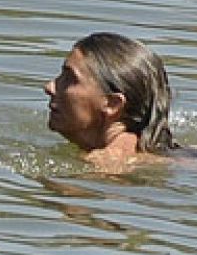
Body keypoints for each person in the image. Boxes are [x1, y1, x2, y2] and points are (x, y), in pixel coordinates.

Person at [44, 32, 176, 171]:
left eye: (70, 79)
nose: (49, 87)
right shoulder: (157, 150)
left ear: (112, 104)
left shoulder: (104, 167)